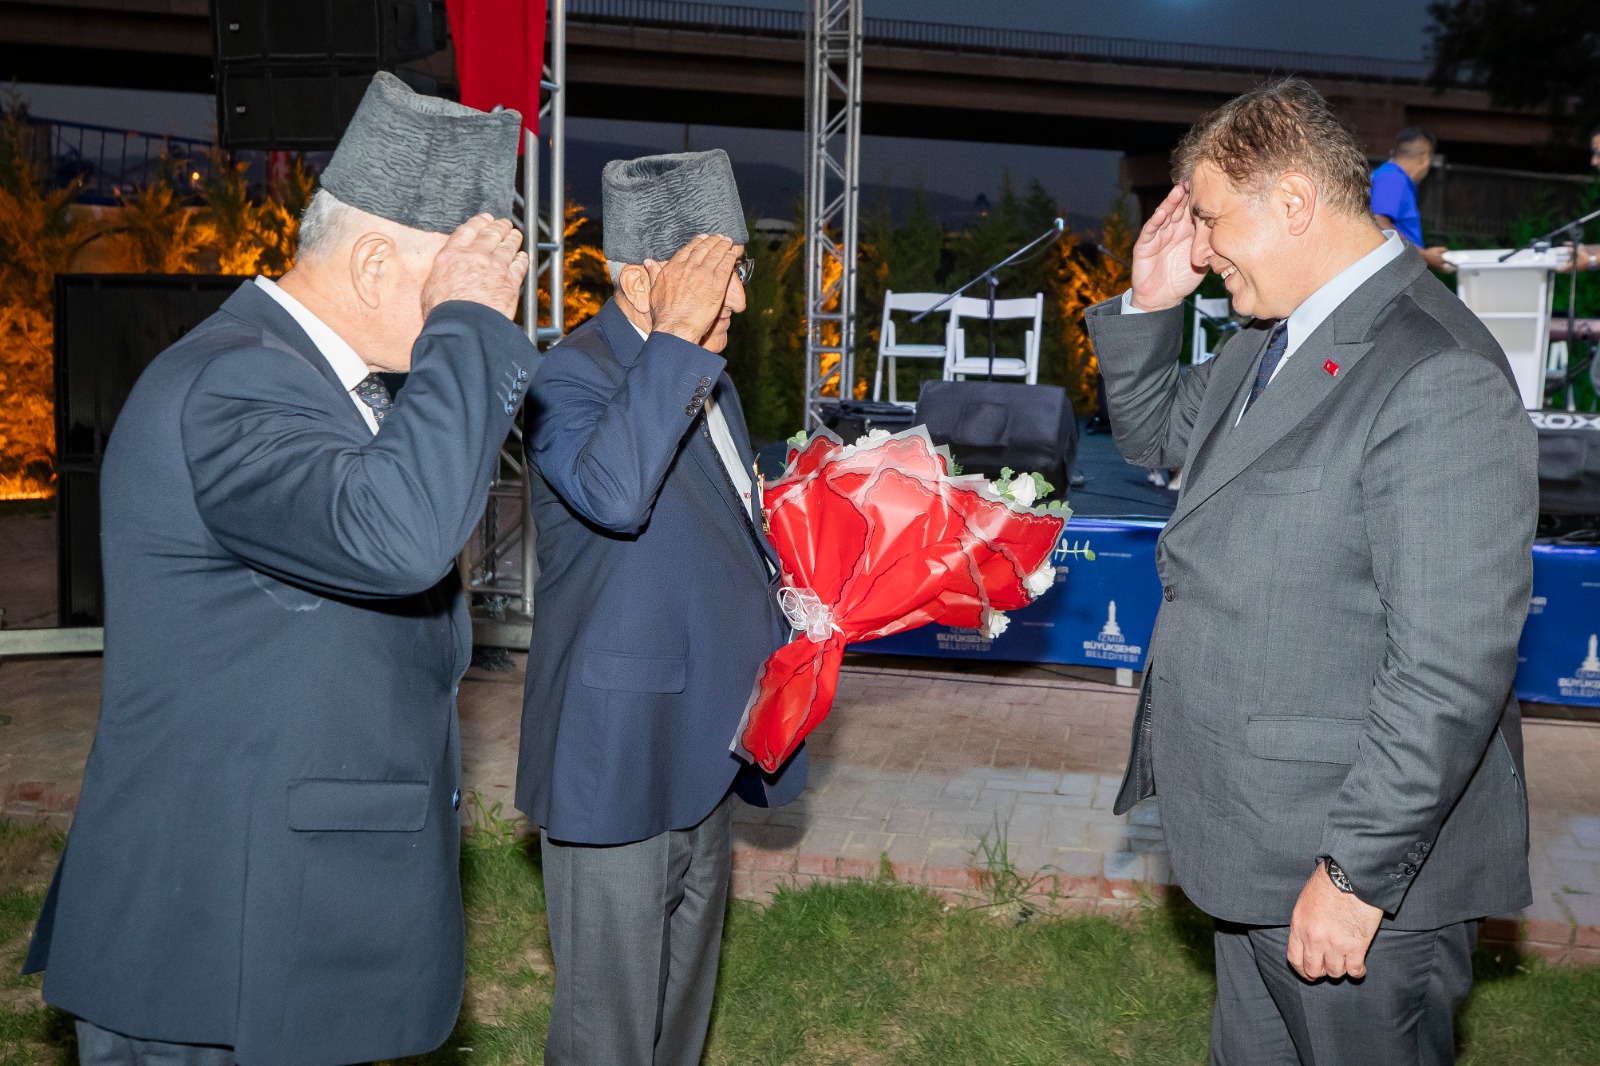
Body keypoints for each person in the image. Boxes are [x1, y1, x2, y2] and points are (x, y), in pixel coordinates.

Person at [24, 72, 536, 1066]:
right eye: (456, 273)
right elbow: (399, 536)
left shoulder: (305, 382)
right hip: (219, 952)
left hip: (275, 936)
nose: (475, 300)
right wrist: (470, 323)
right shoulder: (242, 378)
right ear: (379, 259)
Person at [1085, 78, 1536, 1065]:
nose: (1200, 249)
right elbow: (1158, 431)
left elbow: (1448, 668)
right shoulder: (1268, 343)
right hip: (1262, 847)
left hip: (1351, 874)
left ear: (1292, 202)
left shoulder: (1433, 374)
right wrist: (1154, 303)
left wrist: (1355, 874)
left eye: (1208, 219)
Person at [516, 149, 807, 1066]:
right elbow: (614, 492)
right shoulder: (569, 377)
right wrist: (679, 340)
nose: (743, 305)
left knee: (678, 1027)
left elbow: (721, 532)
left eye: (740, 274)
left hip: (702, 752)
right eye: (719, 279)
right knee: (608, 1038)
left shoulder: (707, 375)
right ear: (641, 277)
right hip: (613, 760)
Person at [1369, 127, 1453, 273]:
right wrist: (1425, 256)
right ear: (1424, 159)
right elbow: (1378, 223)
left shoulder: (1389, 176)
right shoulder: (1392, 178)